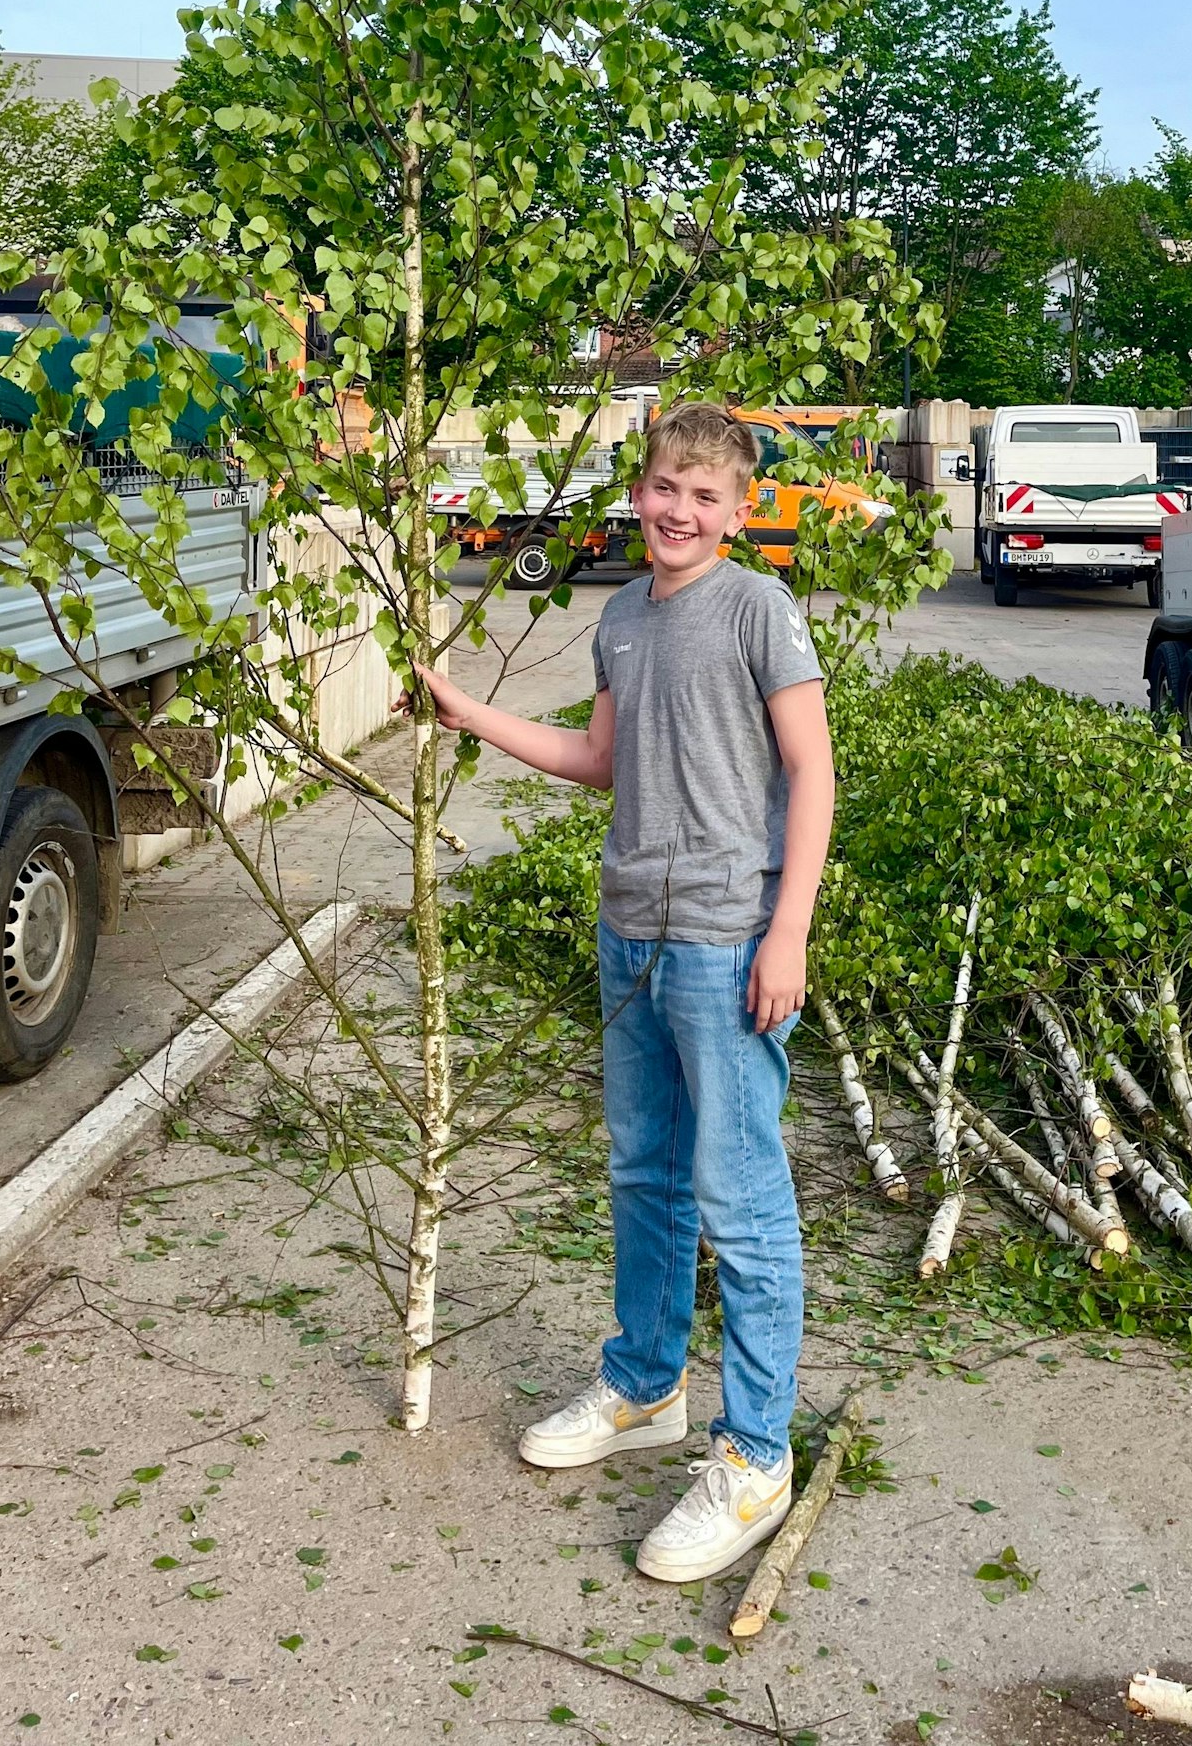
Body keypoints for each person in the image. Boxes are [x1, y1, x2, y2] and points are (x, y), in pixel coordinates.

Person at [415, 401, 833, 1582]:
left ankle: (755, 1454)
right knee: (643, 1168)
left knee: (740, 1197)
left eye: (704, 496)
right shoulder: (620, 618)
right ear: (637, 491)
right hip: (629, 934)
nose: (677, 511)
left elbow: (811, 770)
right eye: (662, 488)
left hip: (725, 935)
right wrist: (468, 712)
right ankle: (644, 1383)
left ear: (737, 509)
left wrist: (785, 928)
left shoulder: (758, 607)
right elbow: (597, 759)